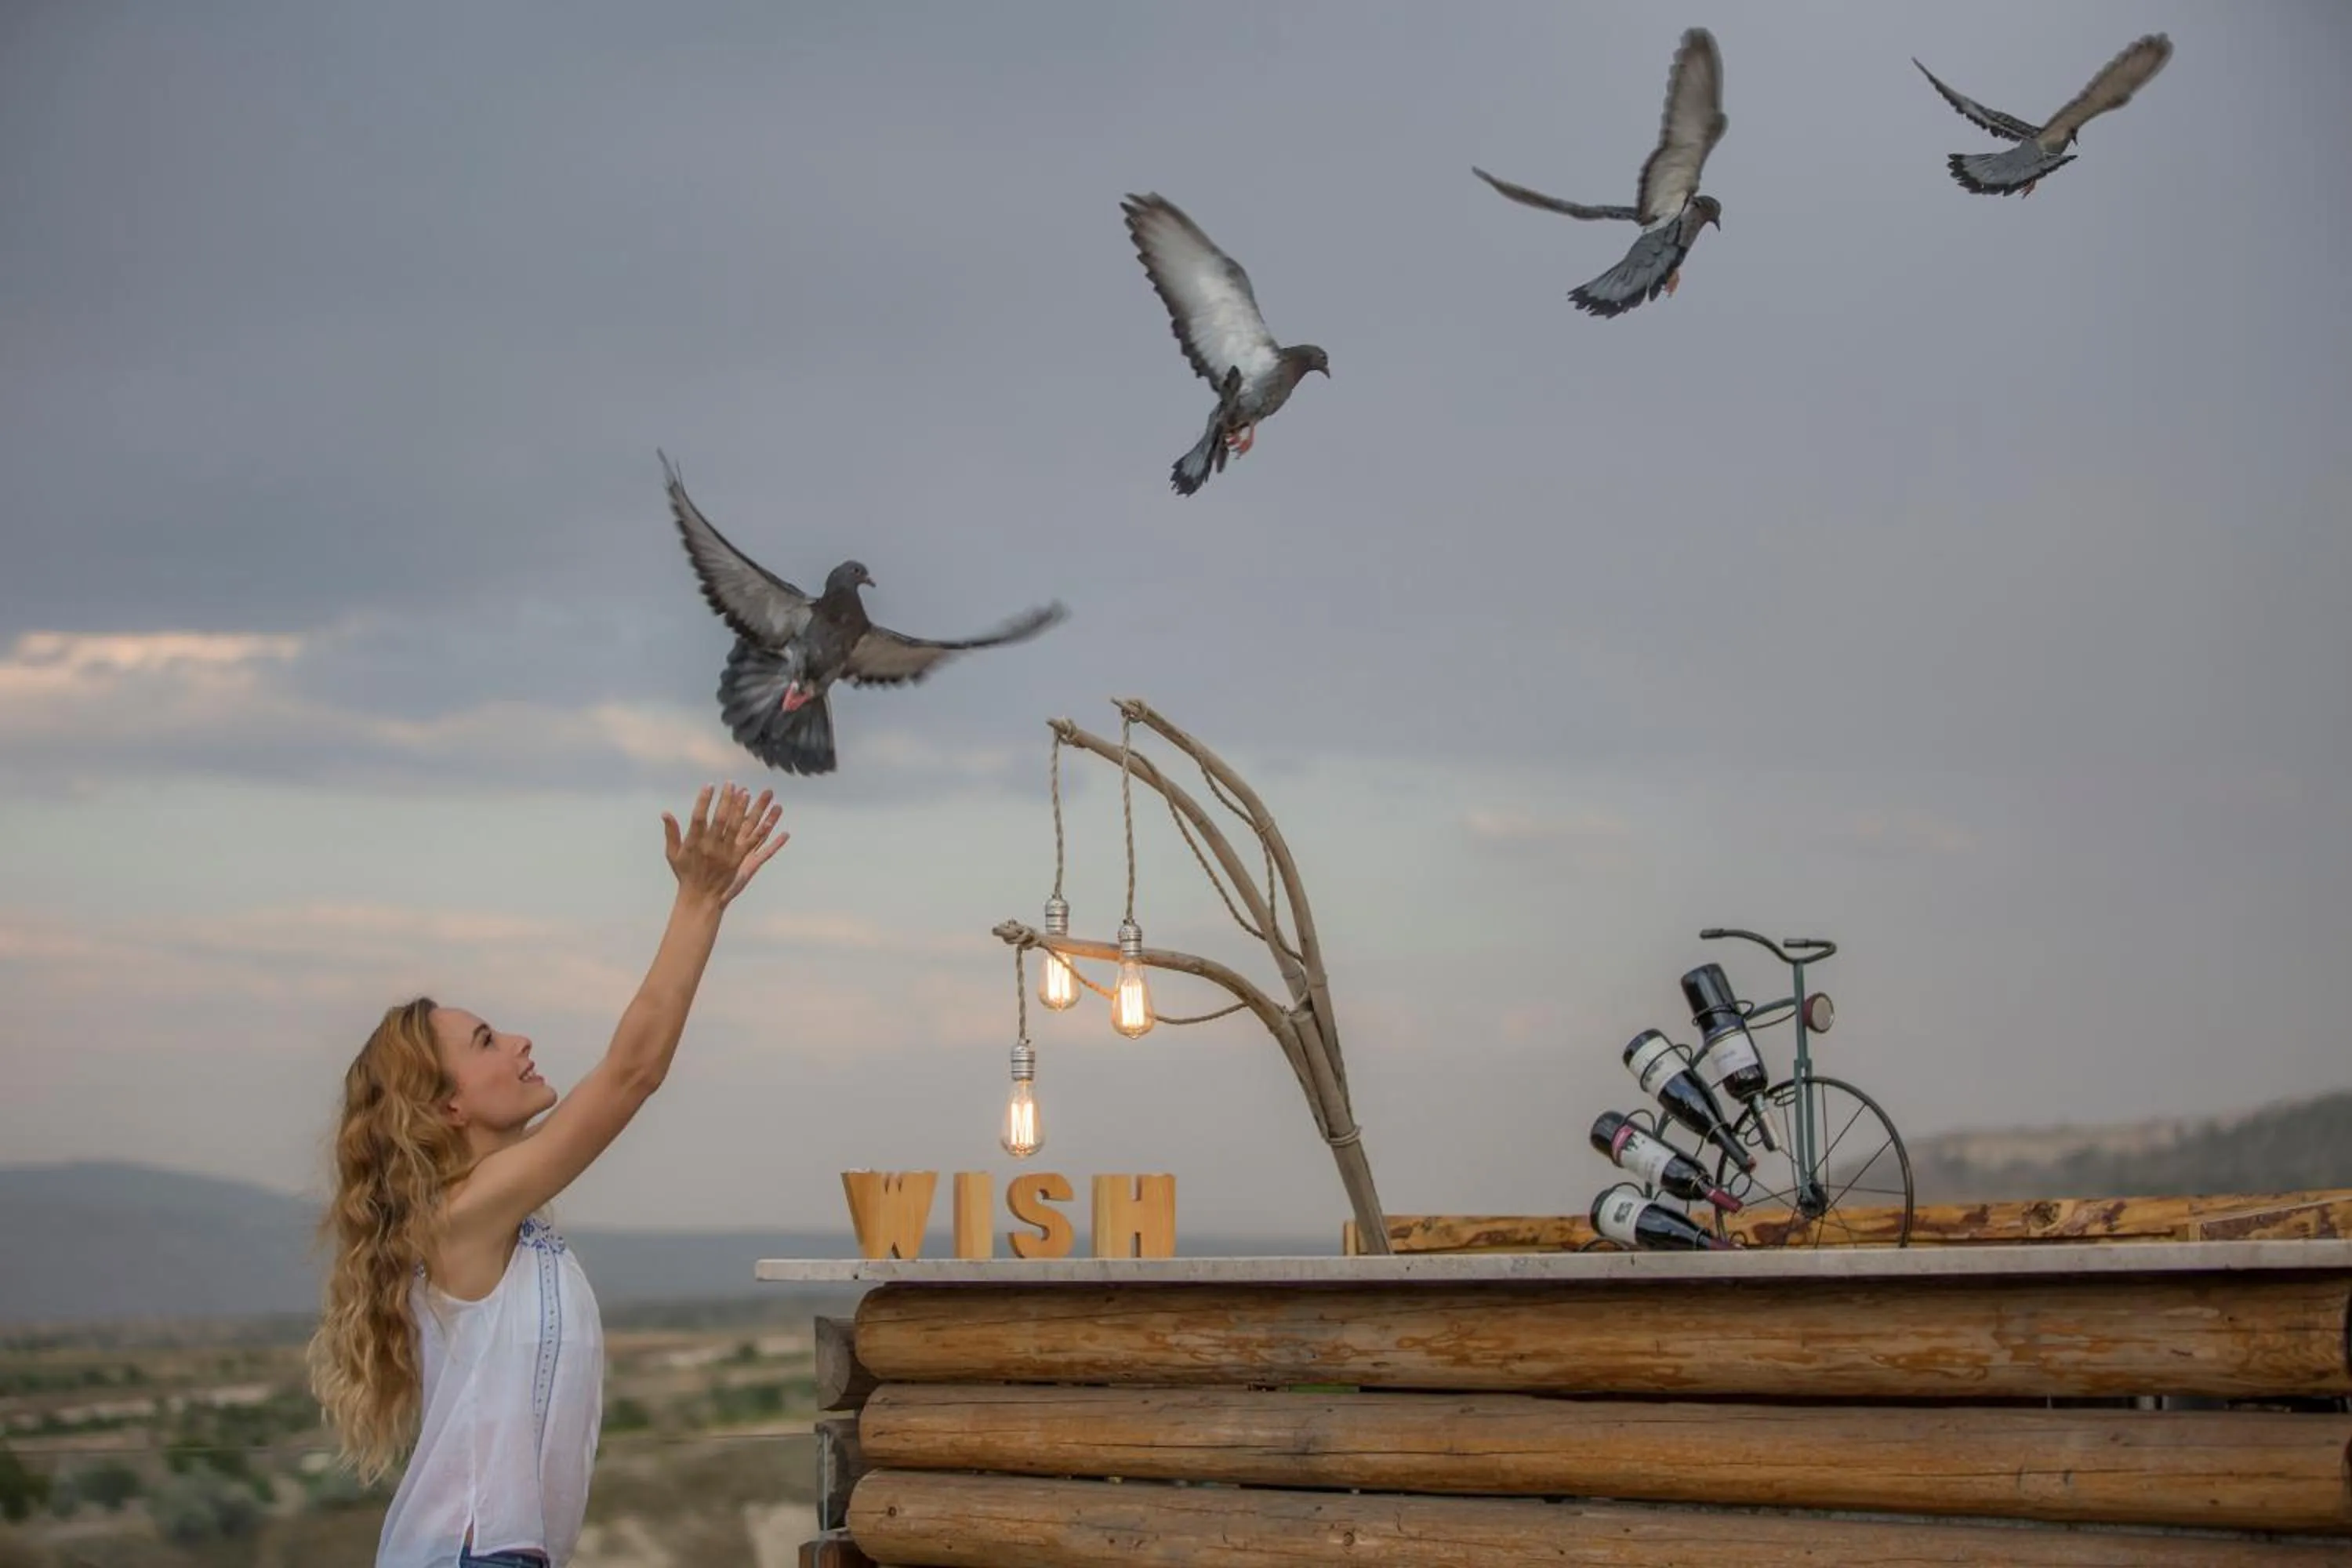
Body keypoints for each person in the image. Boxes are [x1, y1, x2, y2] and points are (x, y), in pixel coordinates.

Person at [306, 782, 789, 1568]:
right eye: (488, 1040)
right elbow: (632, 1072)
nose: (522, 1040)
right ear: (447, 1107)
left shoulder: (507, 1225)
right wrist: (701, 900)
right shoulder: (462, 1217)